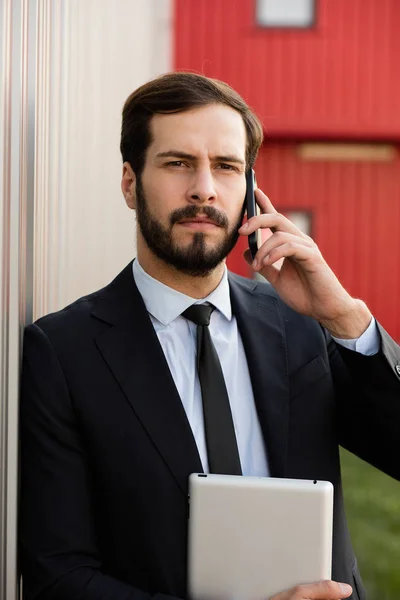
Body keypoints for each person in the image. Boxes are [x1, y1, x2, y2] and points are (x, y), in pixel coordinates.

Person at [20, 72, 400, 600]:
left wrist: (345, 319)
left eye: (226, 166)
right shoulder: (63, 353)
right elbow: (57, 575)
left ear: (249, 191)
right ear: (130, 183)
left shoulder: (303, 324)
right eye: (178, 163)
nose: (204, 187)